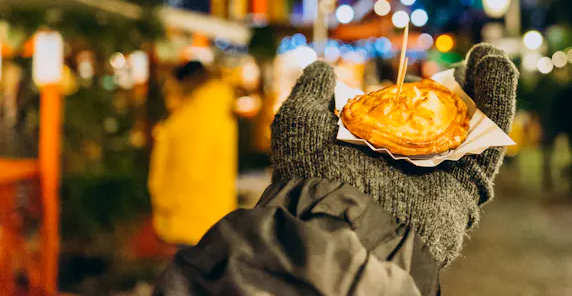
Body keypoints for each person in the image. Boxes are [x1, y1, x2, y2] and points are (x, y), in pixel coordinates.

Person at [152, 44, 518, 295]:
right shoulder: (214, 115)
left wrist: (309, 194)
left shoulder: (182, 120)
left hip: (200, 226)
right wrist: (396, 247)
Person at [148, 61, 237, 249]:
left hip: (189, 218)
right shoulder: (215, 111)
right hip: (210, 215)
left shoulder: (193, 119)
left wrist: (165, 202)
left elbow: (187, 171)